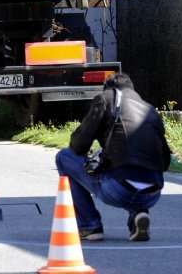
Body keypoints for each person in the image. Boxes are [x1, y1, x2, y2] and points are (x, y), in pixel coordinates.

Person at [55, 72, 171, 242]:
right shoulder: (150, 111)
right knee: (137, 170)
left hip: (119, 190)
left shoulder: (106, 98)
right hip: (152, 194)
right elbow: (165, 162)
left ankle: (89, 225)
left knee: (64, 157)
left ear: (108, 88)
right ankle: (138, 215)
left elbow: (78, 145)